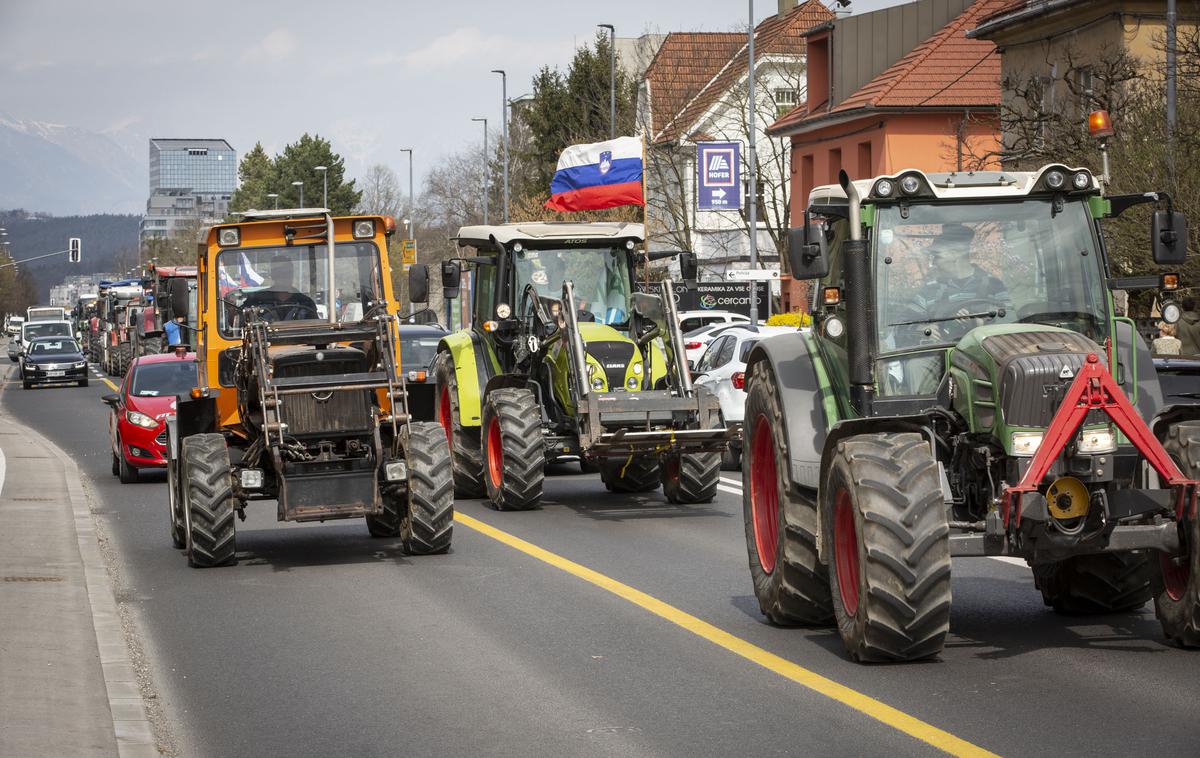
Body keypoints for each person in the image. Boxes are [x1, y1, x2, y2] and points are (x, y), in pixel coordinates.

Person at [241, 256, 318, 320]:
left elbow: (316, 330)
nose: (284, 276)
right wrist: (231, 313)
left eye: (287, 272)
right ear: (273, 275)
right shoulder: (255, 300)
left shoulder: (306, 303)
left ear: (292, 274)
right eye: (280, 273)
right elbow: (238, 322)